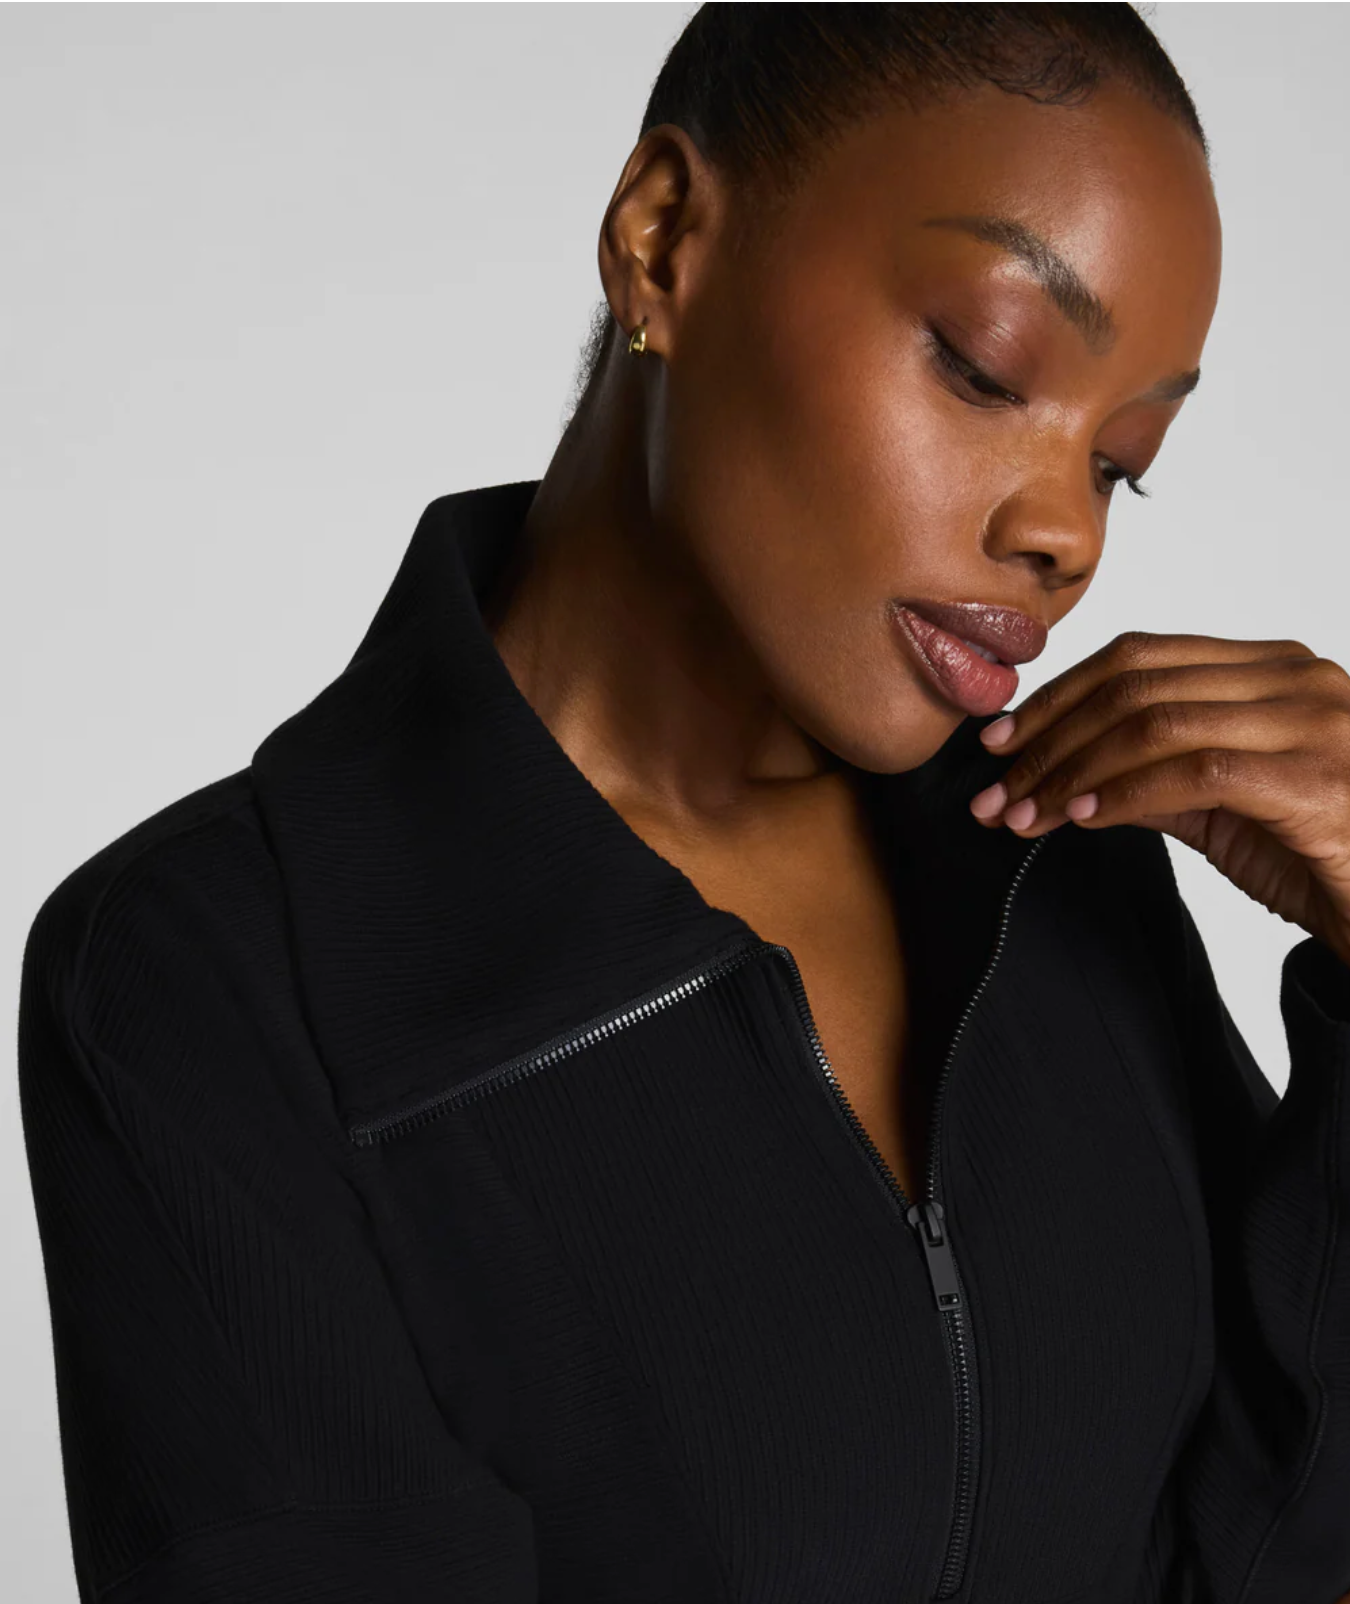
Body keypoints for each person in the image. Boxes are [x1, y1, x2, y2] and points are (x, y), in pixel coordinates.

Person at [18, 5, 1350, 1601]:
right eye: (985, 366)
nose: (1066, 530)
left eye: (1121, 460)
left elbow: (1282, 1547)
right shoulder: (218, 974)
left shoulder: (1055, 864)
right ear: (662, 240)